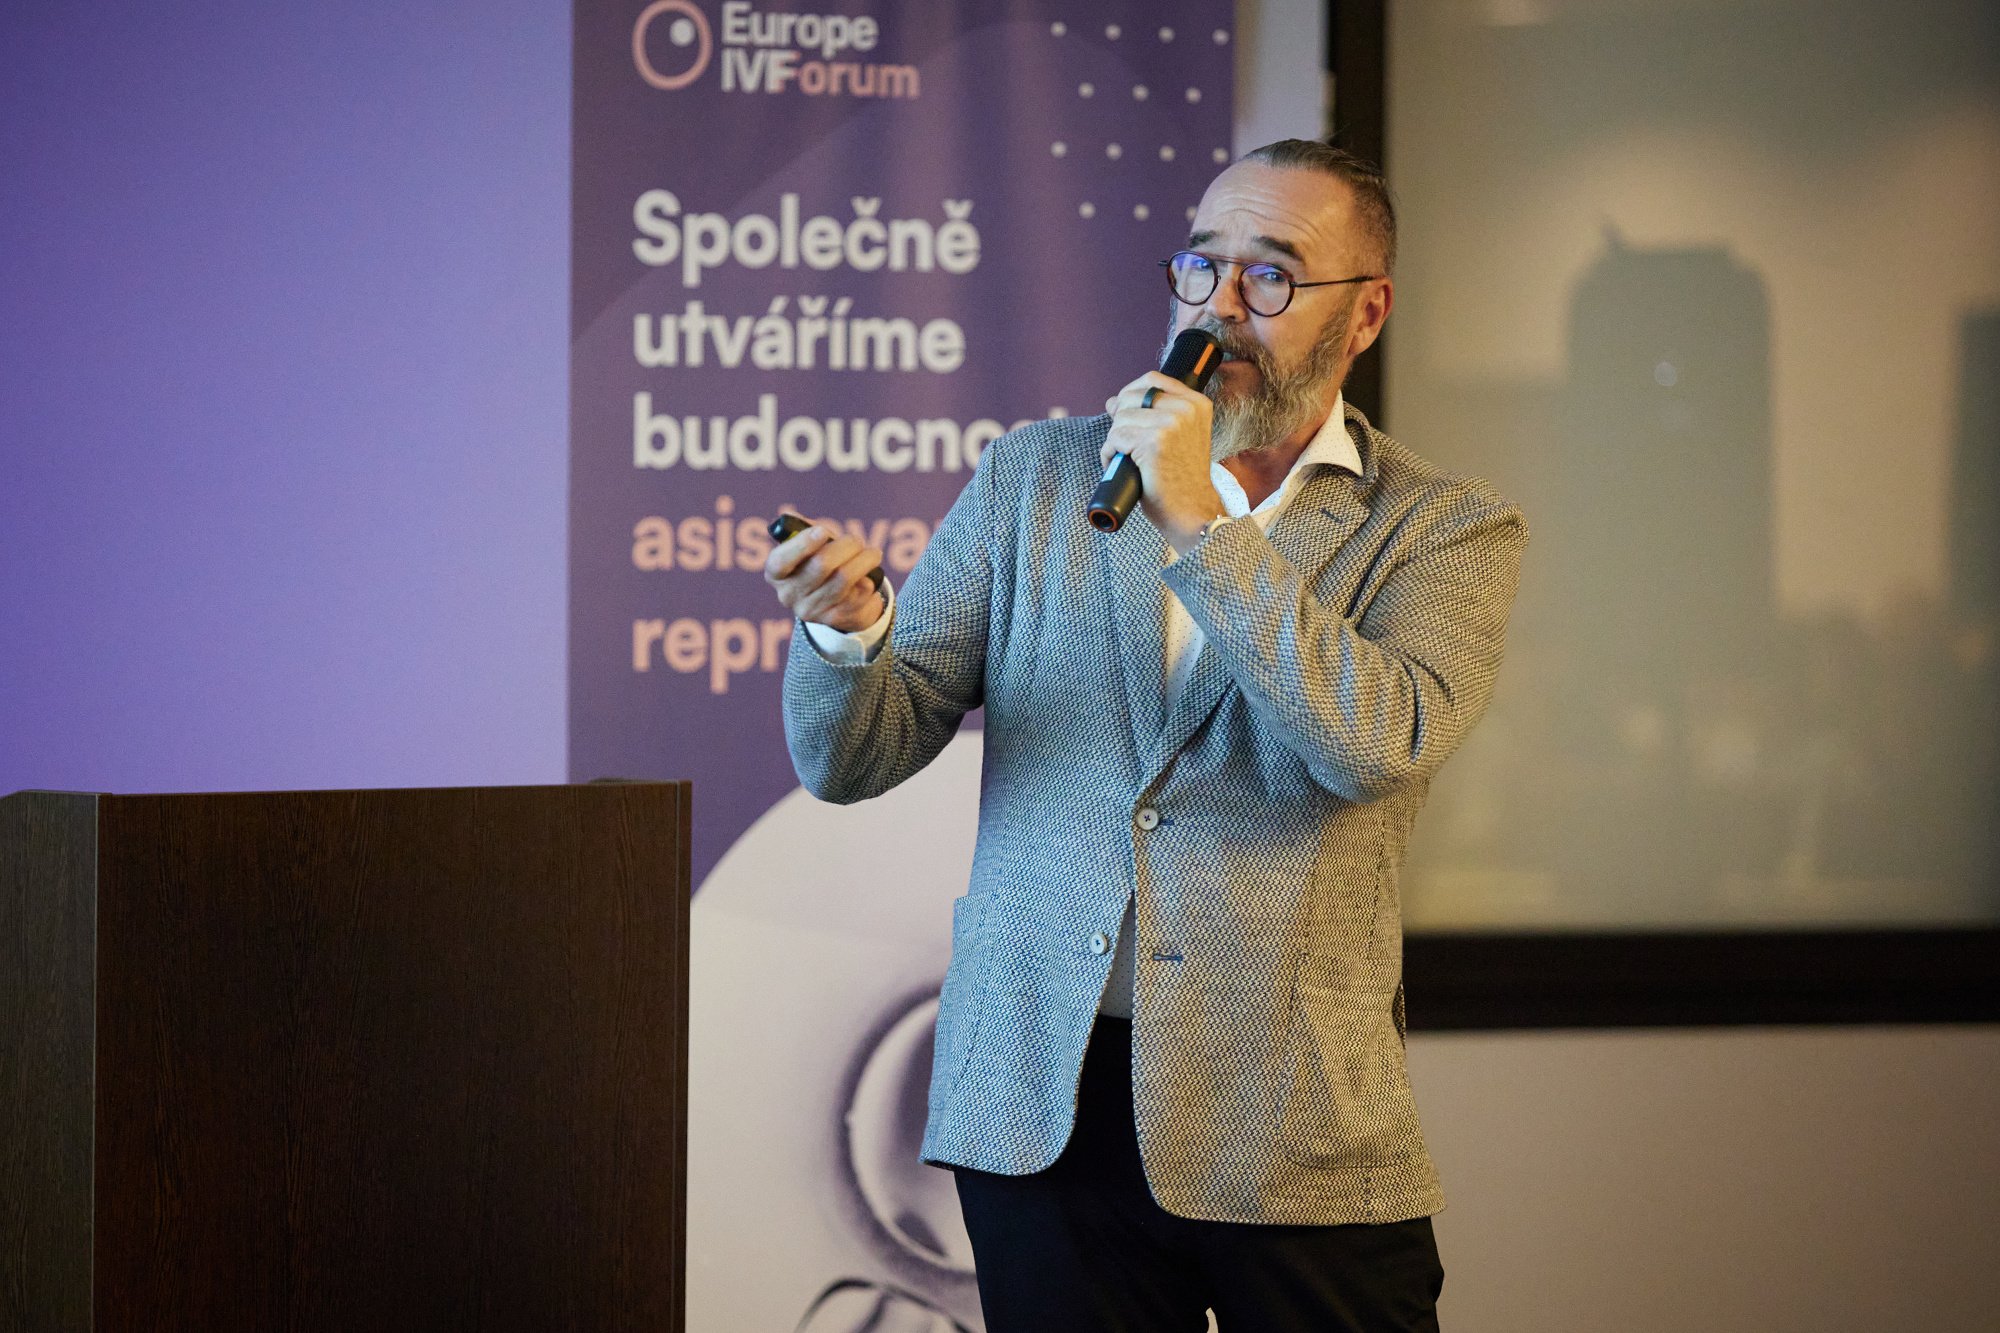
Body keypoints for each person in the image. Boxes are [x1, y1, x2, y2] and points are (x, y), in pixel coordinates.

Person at [765, 139, 1527, 1333]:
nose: (1220, 305)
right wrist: (849, 632)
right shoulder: (1036, 477)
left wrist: (1200, 524)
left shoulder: (1440, 529)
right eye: (1200, 265)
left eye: (1270, 275)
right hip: (1042, 1102)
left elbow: (1377, 740)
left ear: (1365, 313)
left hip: (1288, 1116)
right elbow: (855, 756)